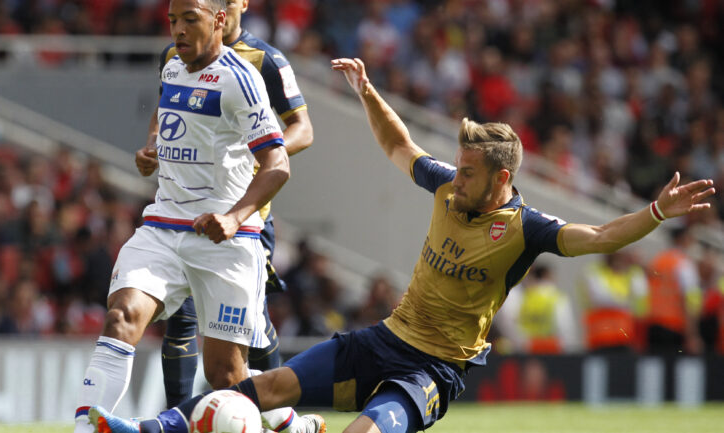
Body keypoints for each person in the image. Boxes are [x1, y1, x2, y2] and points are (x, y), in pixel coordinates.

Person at [89, 57, 715, 433]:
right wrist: (367, 92)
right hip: (383, 340)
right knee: (267, 385)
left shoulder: (527, 230)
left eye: (469, 170)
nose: (455, 174)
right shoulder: (448, 187)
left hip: (432, 370)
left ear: (501, 179)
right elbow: (401, 147)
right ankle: (142, 428)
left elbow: (603, 235)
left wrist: (657, 211)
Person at [73, 1, 292, 432]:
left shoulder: (241, 79)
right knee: (120, 317)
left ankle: (288, 423)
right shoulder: (173, 65)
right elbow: (165, 107)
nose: (178, 30)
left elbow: (278, 164)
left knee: (225, 377)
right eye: (173, 20)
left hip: (224, 240)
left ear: (219, 20)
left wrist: (233, 217)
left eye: (190, 18)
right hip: (163, 226)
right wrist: (152, 144)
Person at [157, 0, 313, 409]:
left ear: (239, 5)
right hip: (184, 213)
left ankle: (281, 416)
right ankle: (177, 417)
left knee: (250, 329)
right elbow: (168, 118)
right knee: (181, 318)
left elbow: (302, 129)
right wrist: (154, 146)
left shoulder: (266, 60)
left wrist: (257, 152)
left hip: (243, 216)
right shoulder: (175, 53)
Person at [645, 226, 704, 354]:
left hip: (653, 322)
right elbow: (688, 300)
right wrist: (692, 335)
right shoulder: (684, 263)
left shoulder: (658, 260)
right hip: (674, 325)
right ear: (682, 239)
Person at [578, 249, 649, 353]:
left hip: (624, 335)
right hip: (600, 335)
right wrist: (624, 300)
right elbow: (600, 298)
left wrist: (635, 268)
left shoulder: (630, 274)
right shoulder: (595, 271)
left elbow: (641, 293)